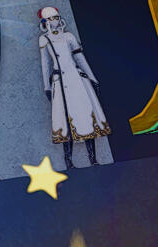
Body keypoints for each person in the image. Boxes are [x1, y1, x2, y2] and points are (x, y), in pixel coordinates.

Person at [37, 6, 108, 170]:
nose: (55, 21)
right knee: (64, 122)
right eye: (51, 18)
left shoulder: (69, 36)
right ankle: (68, 161)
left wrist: (93, 78)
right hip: (60, 82)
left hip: (77, 80)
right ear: (45, 21)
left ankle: (93, 158)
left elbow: (79, 58)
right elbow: (45, 64)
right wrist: (46, 86)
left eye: (56, 17)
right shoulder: (44, 39)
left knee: (86, 116)